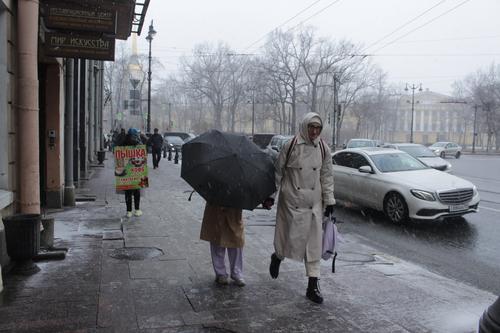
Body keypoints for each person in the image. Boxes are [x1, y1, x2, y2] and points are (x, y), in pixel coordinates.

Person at [265, 112, 335, 304]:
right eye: (311, 127)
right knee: (287, 239)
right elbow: (278, 173)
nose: (314, 131)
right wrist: (271, 196)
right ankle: (277, 257)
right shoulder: (290, 146)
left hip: (314, 205)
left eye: (317, 128)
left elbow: (327, 176)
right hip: (291, 202)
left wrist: (329, 202)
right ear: (305, 126)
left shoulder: (323, 148)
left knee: (313, 246)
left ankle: (313, 286)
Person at [200, 203, 246, 287]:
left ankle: (236, 272)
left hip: (235, 205)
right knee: (217, 237)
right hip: (216, 203)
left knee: (236, 239)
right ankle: (220, 273)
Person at [119, 128, 143, 218]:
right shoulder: (138, 143)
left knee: (128, 191)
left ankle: (128, 211)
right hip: (136, 170)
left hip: (125, 170)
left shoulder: (123, 142)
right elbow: (143, 154)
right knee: (137, 191)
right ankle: (137, 210)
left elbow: (117, 153)